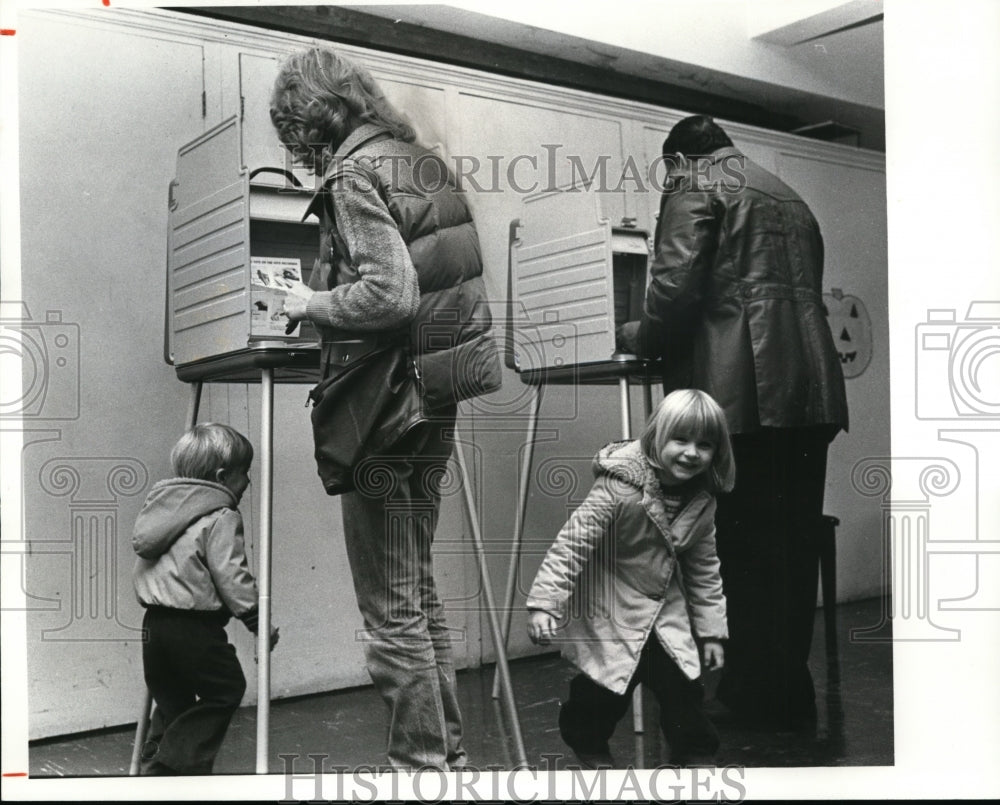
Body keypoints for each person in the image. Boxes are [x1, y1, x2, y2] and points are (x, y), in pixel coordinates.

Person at [269, 47, 501, 770]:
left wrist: (309, 302)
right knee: (416, 586)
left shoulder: (353, 173)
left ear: (310, 119)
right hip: (434, 396)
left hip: (384, 406)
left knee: (388, 603)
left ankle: (420, 768)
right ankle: (447, 757)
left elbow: (390, 292)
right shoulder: (420, 161)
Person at [617, 115, 849, 730]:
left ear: (675, 161)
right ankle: (786, 690)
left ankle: (748, 694)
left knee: (739, 547)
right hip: (811, 392)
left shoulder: (693, 183)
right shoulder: (786, 192)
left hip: (741, 396)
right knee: (792, 545)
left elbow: (672, 293)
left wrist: (632, 334)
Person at [526, 389, 734, 768]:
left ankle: (696, 757)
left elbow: (705, 571)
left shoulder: (702, 501)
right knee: (602, 690)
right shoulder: (618, 487)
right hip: (614, 610)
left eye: (705, 444)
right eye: (681, 440)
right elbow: (572, 544)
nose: (691, 453)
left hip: (665, 614)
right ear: (656, 437)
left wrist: (712, 632)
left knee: (684, 691)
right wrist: (544, 603)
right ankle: (590, 750)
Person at [132, 423, 279, 775]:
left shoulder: (159, 511)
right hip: (193, 628)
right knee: (227, 688)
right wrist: (257, 619)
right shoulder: (221, 516)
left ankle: (157, 755)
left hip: (154, 626)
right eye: (245, 474)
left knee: (173, 700)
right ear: (222, 476)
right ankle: (169, 768)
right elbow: (231, 575)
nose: (248, 484)